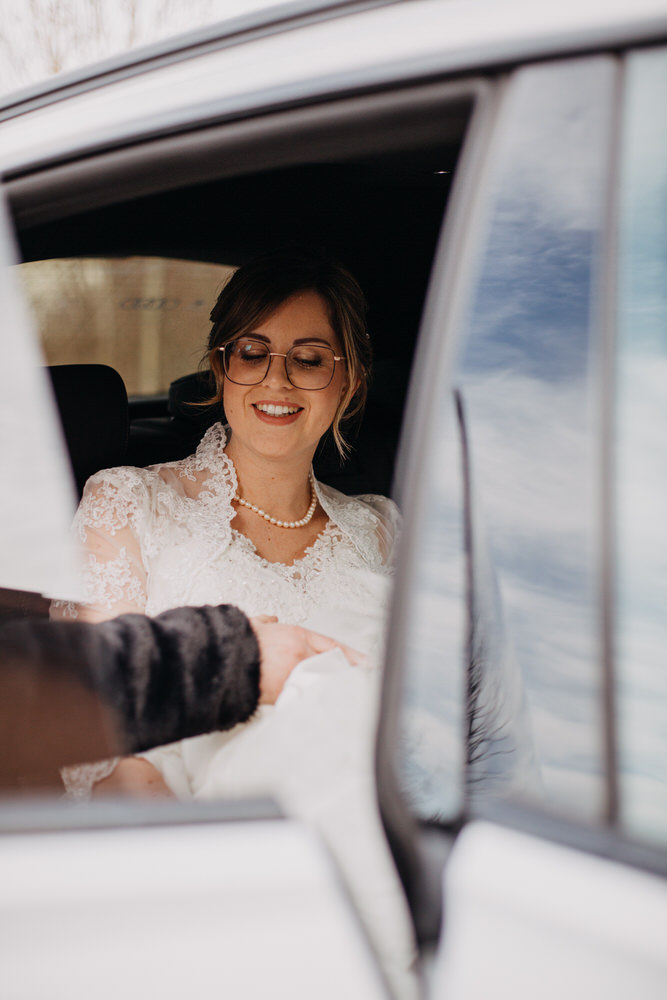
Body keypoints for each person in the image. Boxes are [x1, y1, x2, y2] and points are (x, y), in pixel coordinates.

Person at [51, 247, 416, 995]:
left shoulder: (384, 531)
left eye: (309, 360)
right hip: (191, 880)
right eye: (253, 353)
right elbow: (92, 738)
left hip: (384, 863)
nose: (276, 380)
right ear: (220, 371)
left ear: (347, 383)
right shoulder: (130, 504)